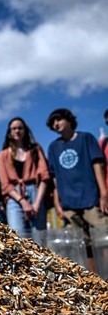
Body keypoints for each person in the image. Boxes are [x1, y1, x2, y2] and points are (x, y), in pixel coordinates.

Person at [46, 108, 108, 269]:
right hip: (68, 203)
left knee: (103, 237)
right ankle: (92, 280)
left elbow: (98, 165)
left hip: (91, 198)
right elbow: (54, 178)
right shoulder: (53, 147)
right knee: (80, 244)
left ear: (68, 119)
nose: (56, 124)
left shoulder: (86, 138)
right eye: (53, 122)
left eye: (58, 119)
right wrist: (57, 202)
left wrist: (103, 193)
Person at [0, 117, 49, 238]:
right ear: (9, 132)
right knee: (18, 237)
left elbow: (44, 177)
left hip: (35, 192)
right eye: (14, 128)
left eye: (20, 128)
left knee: (39, 237)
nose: (17, 131)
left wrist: (36, 203)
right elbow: (5, 184)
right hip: (14, 196)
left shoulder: (35, 150)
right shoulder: (3, 155)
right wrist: (23, 202)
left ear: (25, 130)